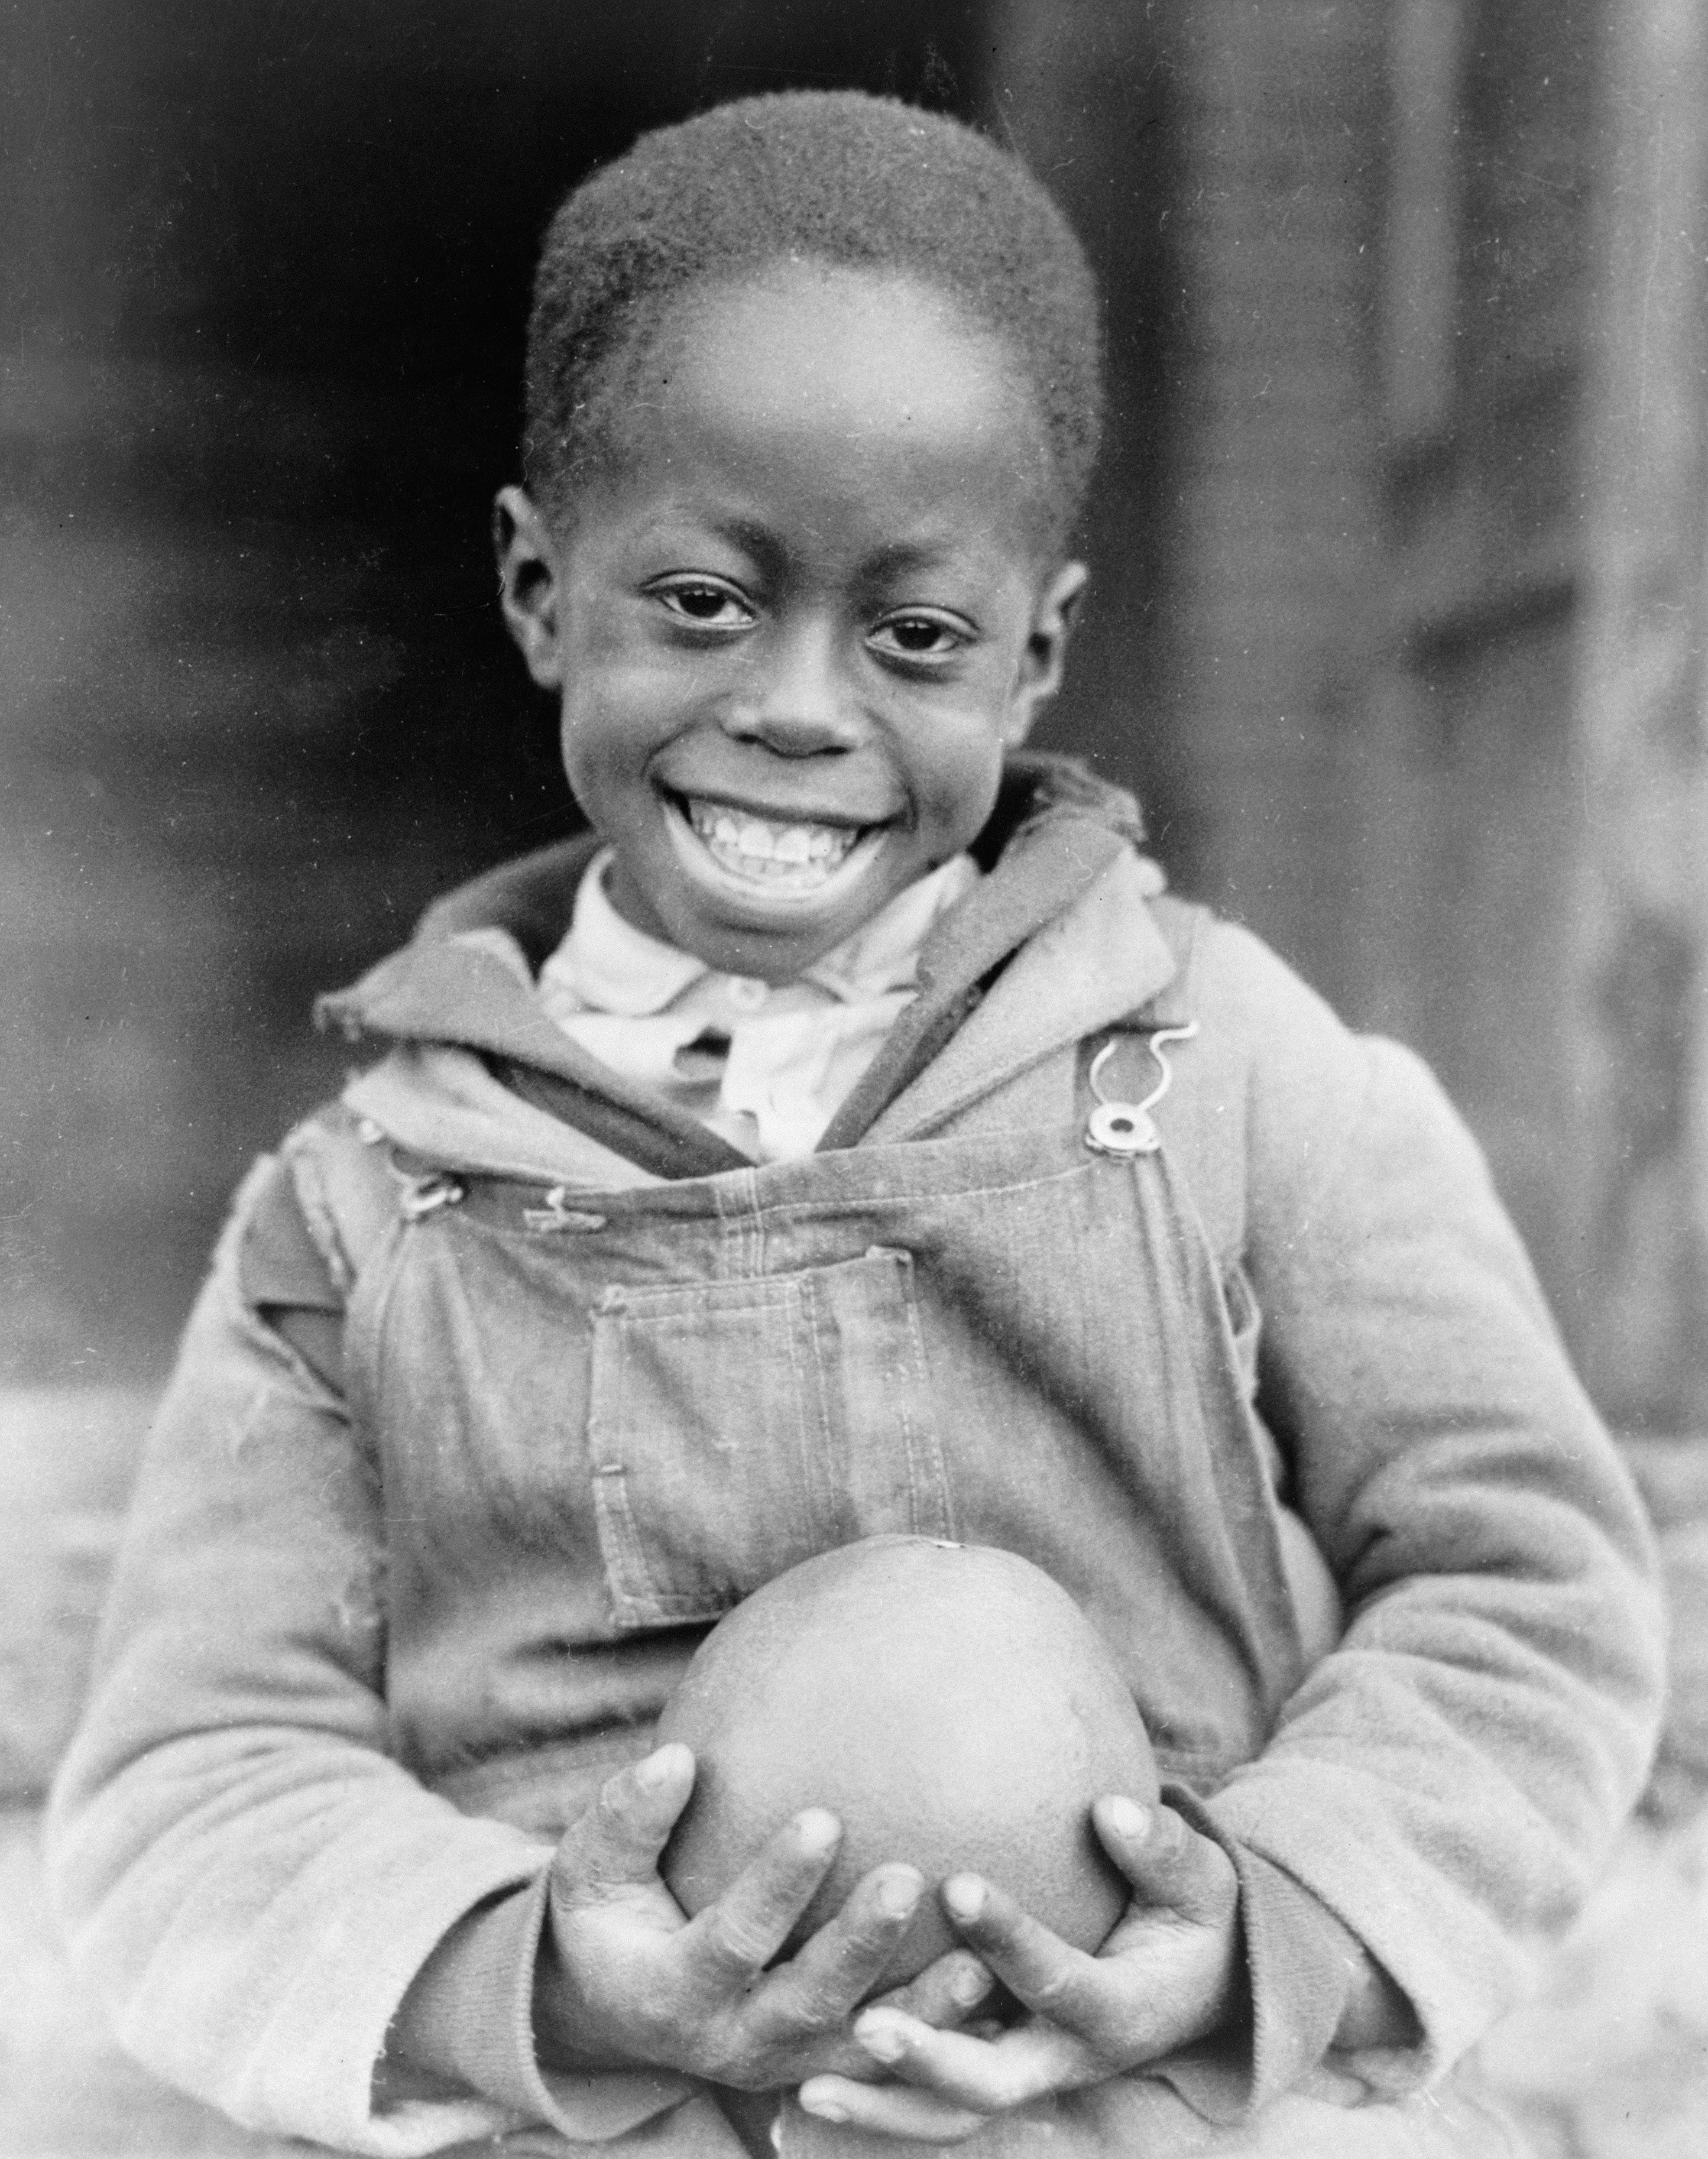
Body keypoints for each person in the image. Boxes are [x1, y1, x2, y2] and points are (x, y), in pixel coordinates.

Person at [46, 90, 1664, 2159]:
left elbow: (1521, 1582)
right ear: (543, 589)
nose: (801, 704)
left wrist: (1274, 1930)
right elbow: (197, 1762)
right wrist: (521, 1976)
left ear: (1035, 655)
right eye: (703, 601)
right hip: (596, 2121)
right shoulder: (362, 1206)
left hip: (1133, 2100)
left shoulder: (1223, 1070)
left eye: (913, 636)